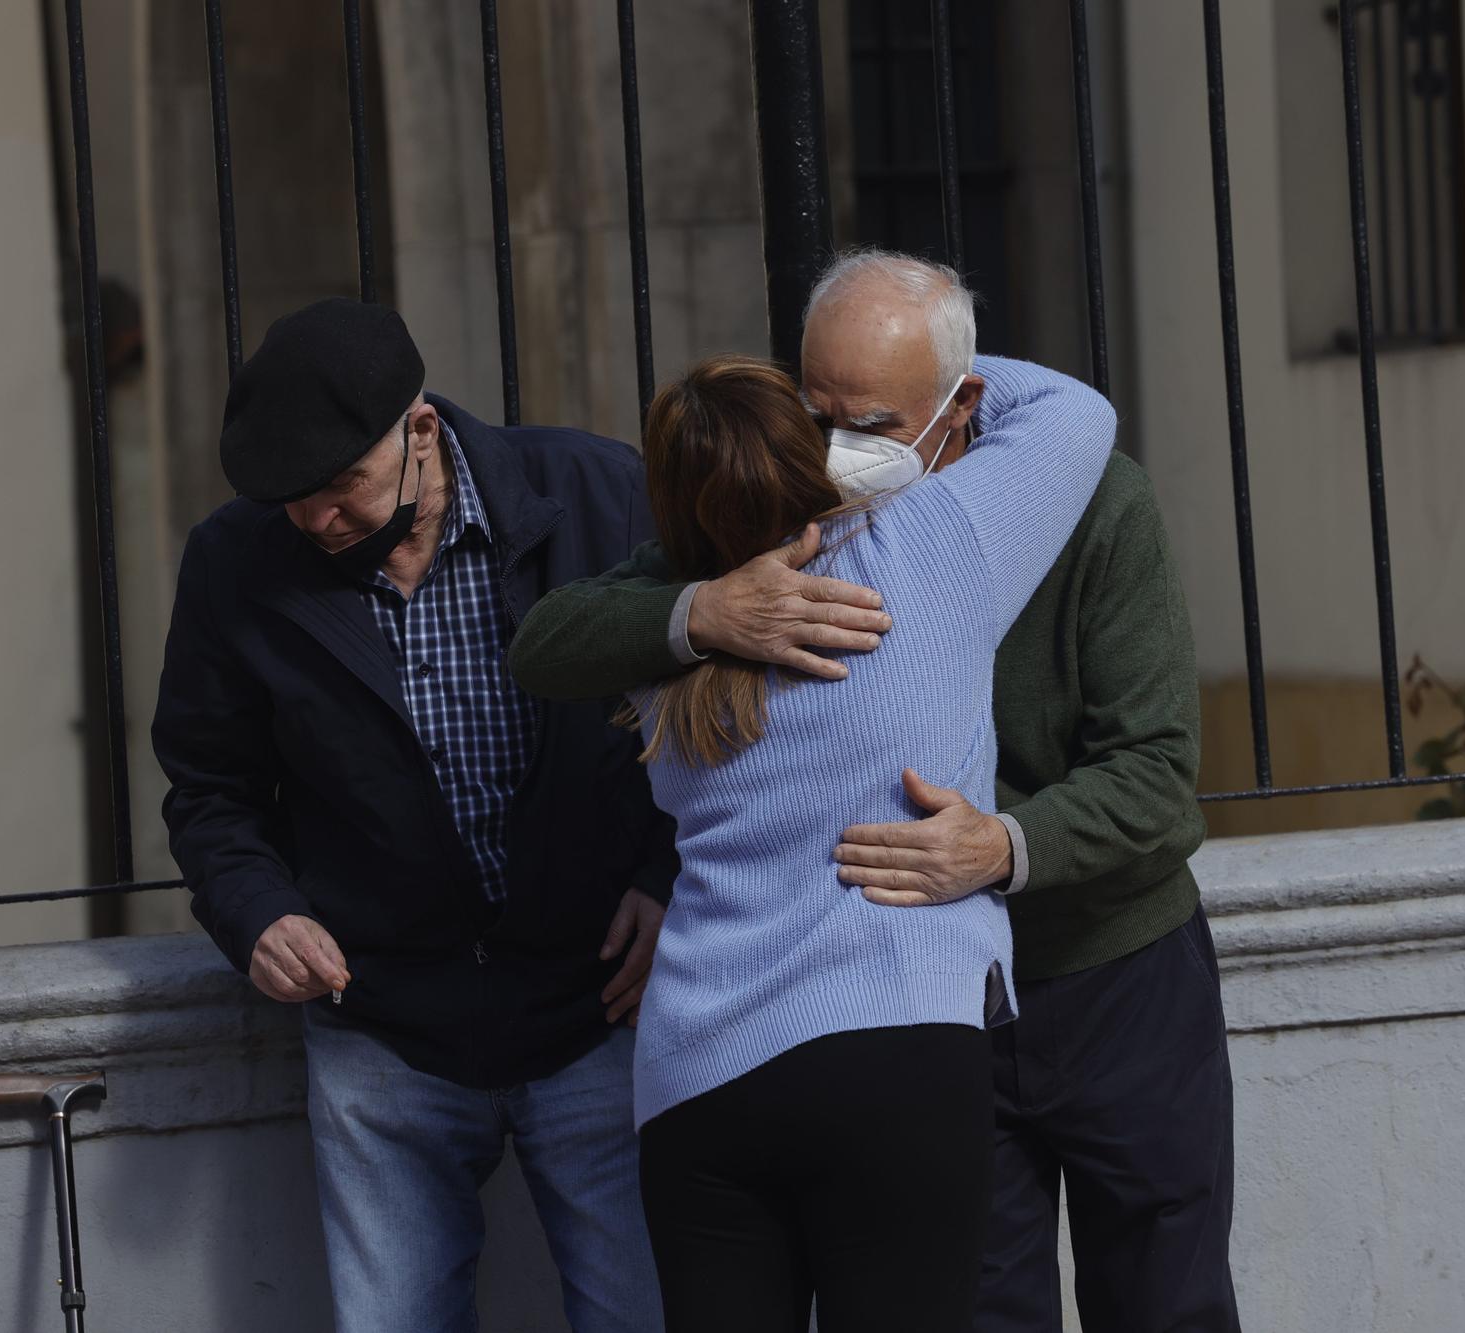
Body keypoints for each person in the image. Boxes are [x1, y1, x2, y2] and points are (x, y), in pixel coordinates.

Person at [508, 251, 1239, 1332]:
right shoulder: (774, 530)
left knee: (1165, 1302)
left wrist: (1003, 846)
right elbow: (556, 638)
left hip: (1106, 968)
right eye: (814, 412)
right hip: (932, 1005)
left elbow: (1155, 777)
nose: (839, 449)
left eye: (875, 422)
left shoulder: (1080, 503)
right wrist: (703, 612)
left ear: (965, 406)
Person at [151, 297, 673, 1333]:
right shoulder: (235, 560)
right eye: (288, 499)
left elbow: (708, 706)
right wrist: (259, 915)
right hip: (379, 1023)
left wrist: (668, 879)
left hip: (598, 1006)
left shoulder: (595, 491)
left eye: (339, 486)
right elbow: (209, 787)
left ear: (420, 430)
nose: (314, 520)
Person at [601, 341, 1113, 1333]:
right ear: (813, 456)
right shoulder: (928, 550)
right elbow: (1070, 411)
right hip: (896, 1046)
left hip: (697, 1076)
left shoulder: (655, 641)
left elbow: (568, 628)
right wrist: (880, 353)